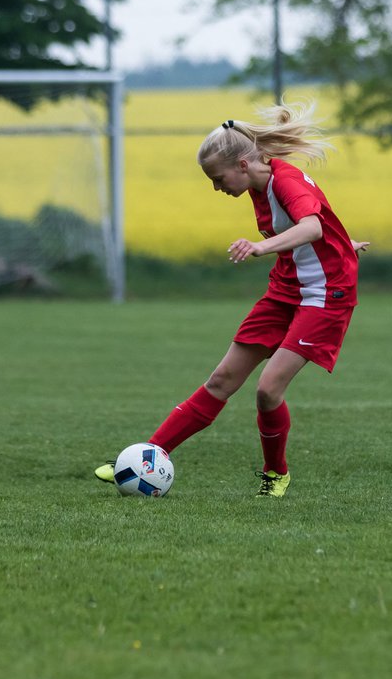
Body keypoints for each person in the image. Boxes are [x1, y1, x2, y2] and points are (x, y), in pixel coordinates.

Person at [96, 102, 368, 497]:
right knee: (222, 379)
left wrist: (261, 247)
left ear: (242, 165)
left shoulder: (284, 182)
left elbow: (310, 226)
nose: (216, 187)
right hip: (286, 289)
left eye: (217, 177)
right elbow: (320, 224)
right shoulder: (259, 184)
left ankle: (276, 474)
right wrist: (343, 242)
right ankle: (150, 454)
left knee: (267, 389)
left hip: (327, 295)